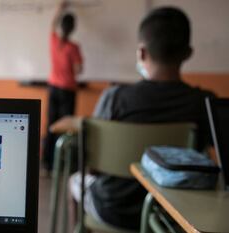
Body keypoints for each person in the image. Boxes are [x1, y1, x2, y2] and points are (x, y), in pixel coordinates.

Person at [69, 7, 215, 230]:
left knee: (74, 181)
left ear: (141, 53)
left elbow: (93, 168)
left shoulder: (114, 98)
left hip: (112, 209)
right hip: (169, 214)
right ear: (188, 53)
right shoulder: (204, 103)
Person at [43, 1, 83, 172]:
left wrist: (60, 8)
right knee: (66, 128)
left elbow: (52, 24)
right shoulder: (73, 47)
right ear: (73, 28)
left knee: (51, 125)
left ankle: (47, 165)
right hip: (67, 90)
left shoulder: (54, 41)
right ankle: (62, 165)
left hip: (53, 88)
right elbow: (78, 70)